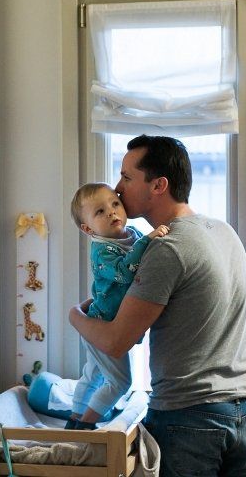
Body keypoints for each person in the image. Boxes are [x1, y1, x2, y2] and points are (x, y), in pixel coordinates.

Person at [68, 135, 246, 476]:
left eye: (127, 177)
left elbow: (116, 341)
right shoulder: (224, 232)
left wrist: (74, 316)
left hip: (190, 417)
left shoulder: (167, 247)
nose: (117, 187)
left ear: (158, 185)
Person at [66, 183, 169, 430]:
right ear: (88, 228)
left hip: (106, 320)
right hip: (101, 326)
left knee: (93, 374)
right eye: (100, 212)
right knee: (120, 382)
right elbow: (124, 272)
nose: (112, 212)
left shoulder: (130, 233)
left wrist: (146, 241)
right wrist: (148, 240)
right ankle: (85, 425)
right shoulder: (102, 250)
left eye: (115, 204)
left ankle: (75, 417)